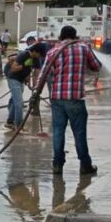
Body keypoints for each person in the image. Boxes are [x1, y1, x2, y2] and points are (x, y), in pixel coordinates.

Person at [42, 25, 101, 174]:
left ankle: (57, 165)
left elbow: (44, 74)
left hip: (57, 98)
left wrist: (35, 93)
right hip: (75, 98)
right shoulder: (83, 48)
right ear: (75, 36)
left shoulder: (53, 51)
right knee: (79, 133)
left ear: (61, 37)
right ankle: (85, 165)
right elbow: (96, 66)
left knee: (58, 131)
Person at [4, 39, 46, 129]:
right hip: (13, 79)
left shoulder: (36, 59)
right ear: (34, 51)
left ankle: (10, 122)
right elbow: (13, 69)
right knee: (19, 103)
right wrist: (24, 65)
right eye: (39, 54)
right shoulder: (23, 55)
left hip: (22, 80)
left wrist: (34, 87)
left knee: (15, 101)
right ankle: (19, 126)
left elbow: (36, 74)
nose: (40, 56)